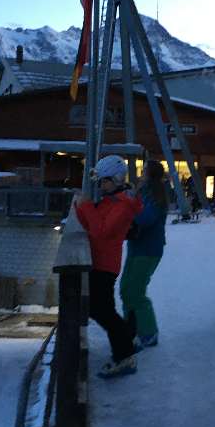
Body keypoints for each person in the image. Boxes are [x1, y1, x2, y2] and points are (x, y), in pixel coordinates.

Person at [75, 155, 143, 378]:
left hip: (105, 264)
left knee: (101, 311)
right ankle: (127, 335)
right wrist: (80, 207)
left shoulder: (122, 205)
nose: (101, 186)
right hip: (99, 261)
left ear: (116, 179)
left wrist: (86, 206)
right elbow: (91, 222)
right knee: (102, 309)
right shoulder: (111, 200)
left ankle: (125, 355)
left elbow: (101, 231)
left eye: (104, 181)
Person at [121, 160, 170, 351]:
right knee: (126, 288)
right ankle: (130, 328)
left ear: (149, 174)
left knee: (135, 291)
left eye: (144, 171)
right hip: (137, 247)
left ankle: (148, 332)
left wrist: (128, 207)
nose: (141, 174)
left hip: (148, 250)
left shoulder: (154, 194)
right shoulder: (144, 192)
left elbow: (145, 218)